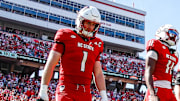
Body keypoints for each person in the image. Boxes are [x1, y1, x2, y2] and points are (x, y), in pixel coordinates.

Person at [38, 6, 108, 101]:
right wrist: (43, 89)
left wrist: (104, 96)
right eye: (88, 23)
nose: (90, 27)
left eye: (93, 25)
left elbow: (98, 73)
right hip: (67, 88)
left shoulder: (97, 43)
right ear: (80, 21)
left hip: (85, 91)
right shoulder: (65, 35)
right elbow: (51, 64)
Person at [144, 24, 179, 101]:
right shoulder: (156, 44)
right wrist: (152, 94)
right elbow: (148, 71)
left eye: (175, 36)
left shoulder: (173, 53)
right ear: (163, 33)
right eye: (172, 34)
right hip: (157, 87)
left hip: (169, 90)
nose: (174, 37)